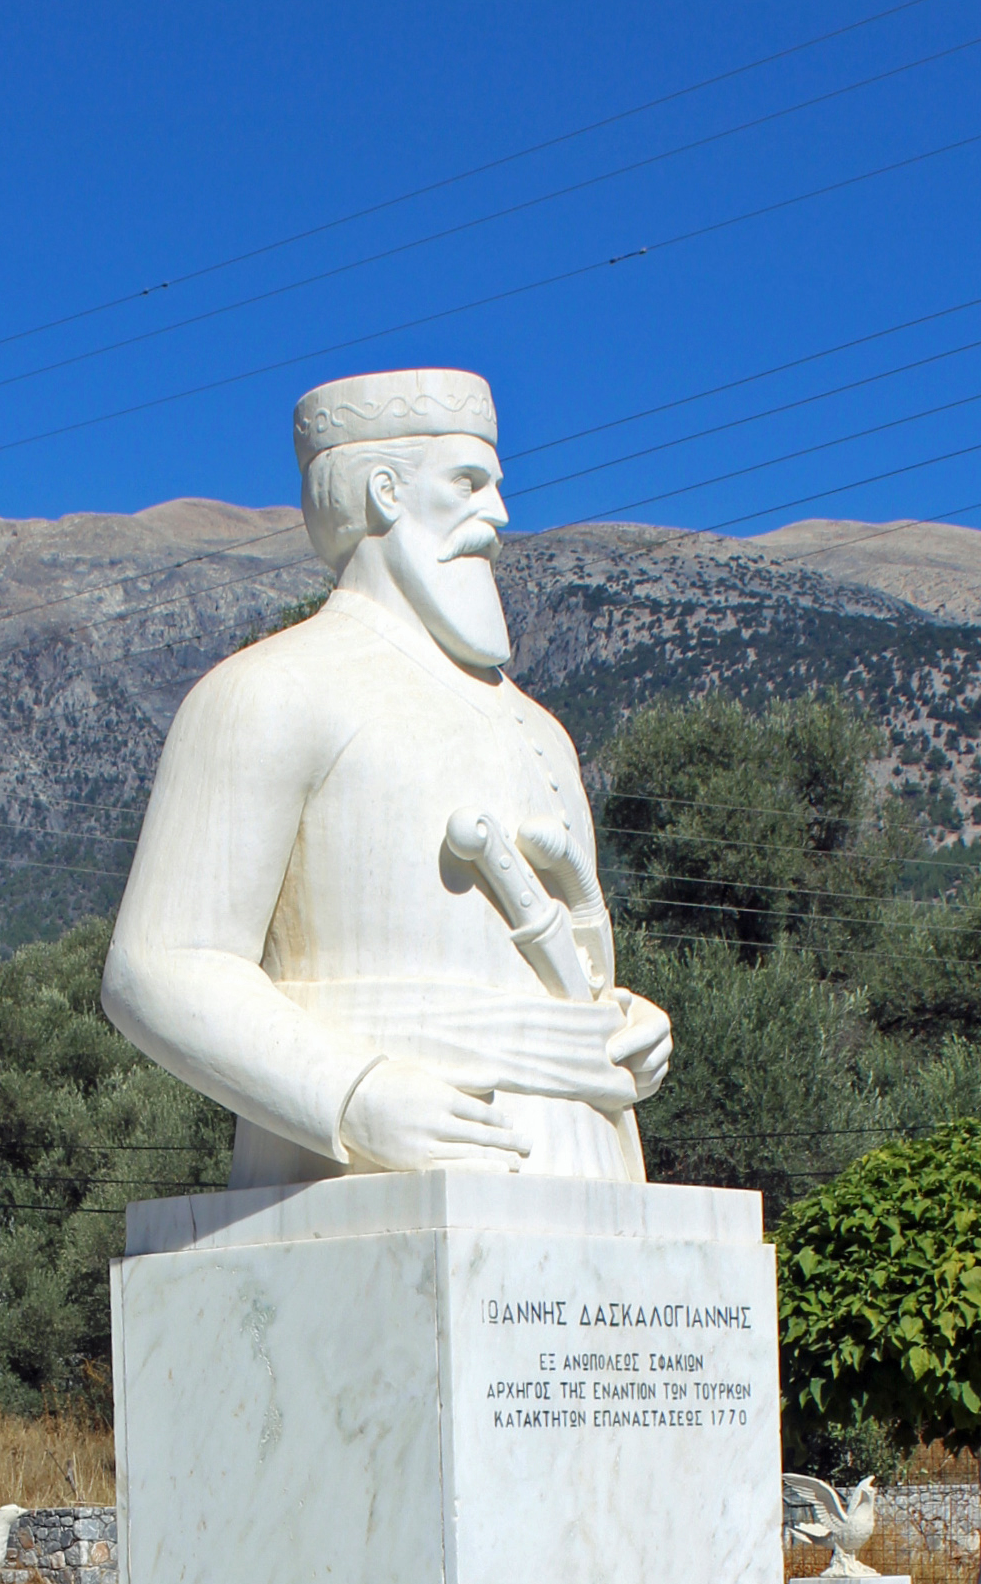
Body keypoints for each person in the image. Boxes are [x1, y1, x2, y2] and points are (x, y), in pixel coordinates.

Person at [103, 367, 672, 1185]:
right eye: (468, 482)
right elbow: (160, 966)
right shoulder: (268, 690)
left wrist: (621, 1024)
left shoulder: (545, 734)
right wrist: (355, 1097)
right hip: (369, 1166)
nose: (499, 515)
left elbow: (561, 965)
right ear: (384, 492)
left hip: (586, 1162)